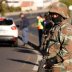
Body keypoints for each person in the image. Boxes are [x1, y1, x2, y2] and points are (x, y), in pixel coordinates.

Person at [42, 2, 72, 72]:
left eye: (55, 15)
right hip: (53, 66)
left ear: (62, 15)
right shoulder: (56, 26)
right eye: (52, 14)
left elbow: (68, 49)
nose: (53, 16)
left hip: (63, 67)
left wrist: (55, 59)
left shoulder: (66, 28)